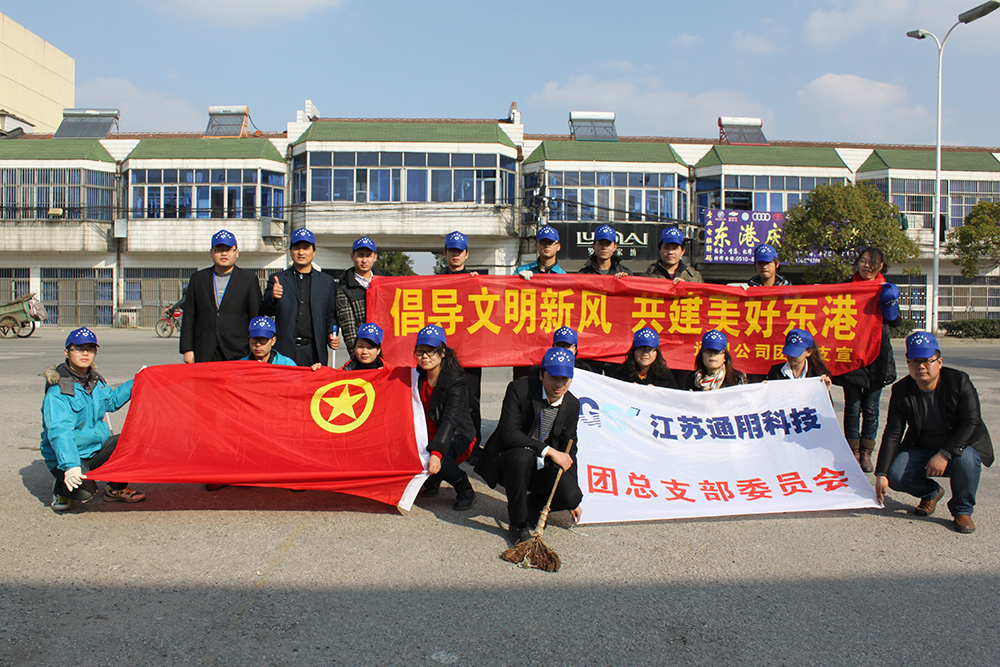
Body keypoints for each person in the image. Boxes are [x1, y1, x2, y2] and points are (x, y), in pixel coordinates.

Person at [875, 332, 994, 534]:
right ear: (908, 363)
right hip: (922, 447)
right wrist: (881, 473)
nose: (921, 366)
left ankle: (962, 510)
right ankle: (931, 492)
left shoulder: (959, 381)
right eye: (915, 361)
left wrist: (944, 454)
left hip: (959, 447)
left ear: (939, 362)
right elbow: (893, 432)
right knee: (896, 475)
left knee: (966, 460)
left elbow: (971, 422)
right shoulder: (902, 390)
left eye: (927, 361)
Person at [475, 347, 583, 545]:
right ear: (541, 374)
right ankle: (518, 524)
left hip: (542, 467)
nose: (559, 384)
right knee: (522, 457)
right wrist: (549, 450)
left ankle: (530, 507)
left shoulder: (572, 405)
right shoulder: (519, 389)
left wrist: (572, 495)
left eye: (565, 379)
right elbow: (509, 433)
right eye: (553, 377)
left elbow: (570, 448)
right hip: (511, 461)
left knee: (572, 495)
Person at [41, 328, 145, 512]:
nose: (85, 353)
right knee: (85, 493)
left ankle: (116, 489)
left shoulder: (94, 381)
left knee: (134, 440)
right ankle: (61, 488)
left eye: (90, 349)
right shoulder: (58, 391)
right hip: (70, 455)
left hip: (95, 449)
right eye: (79, 348)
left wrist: (137, 381)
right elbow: (60, 432)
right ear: (67, 352)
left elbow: (111, 402)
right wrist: (71, 466)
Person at [832, 246, 901, 472]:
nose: (867, 266)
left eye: (873, 262)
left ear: (881, 266)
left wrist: (890, 304)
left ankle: (867, 452)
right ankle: (852, 450)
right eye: (863, 260)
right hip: (851, 354)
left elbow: (896, 323)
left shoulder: (884, 288)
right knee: (852, 407)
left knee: (871, 408)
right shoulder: (845, 287)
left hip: (877, 354)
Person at [414, 325, 477, 511]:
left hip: (456, 434)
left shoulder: (455, 382)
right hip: (427, 432)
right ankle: (434, 479)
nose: (425, 356)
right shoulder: (416, 375)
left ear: (442, 353)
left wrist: (437, 452)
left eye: (431, 351)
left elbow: (450, 420)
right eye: (420, 351)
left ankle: (464, 488)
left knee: (435, 456)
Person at [261, 228, 339, 367]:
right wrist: (273, 297)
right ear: (291, 251)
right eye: (297, 248)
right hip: (285, 350)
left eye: (306, 248)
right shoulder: (278, 279)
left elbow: (330, 316)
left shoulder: (326, 282)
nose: (301, 252)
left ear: (314, 252)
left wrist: (331, 334)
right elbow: (267, 310)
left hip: (313, 350)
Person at [180, 229, 262, 363]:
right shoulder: (198, 279)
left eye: (228, 249)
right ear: (211, 253)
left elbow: (255, 316)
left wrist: (255, 348)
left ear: (236, 252)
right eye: (219, 249)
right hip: (204, 349)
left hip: (238, 349)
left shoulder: (248, 279)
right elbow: (189, 316)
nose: (224, 253)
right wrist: (187, 349)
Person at [437, 231, 483, 460]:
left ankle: (473, 445)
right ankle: (443, 442)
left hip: (470, 351)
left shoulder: (475, 281)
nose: (455, 255)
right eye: (452, 251)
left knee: (471, 400)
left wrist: (479, 283)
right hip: (443, 352)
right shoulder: (434, 283)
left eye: (459, 251)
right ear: (445, 253)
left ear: (467, 254)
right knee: (442, 398)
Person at [335, 236, 383, 352]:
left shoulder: (384, 284)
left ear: (375, 257)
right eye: (360, 255)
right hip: (362, 352)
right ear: (352, 256)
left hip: (384, 347)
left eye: (368, 256)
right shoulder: (344, 288)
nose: (364, 260)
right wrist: (357, 353)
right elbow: (349, 328)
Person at [766, 328, 832, 389]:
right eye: (789, 351)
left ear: (809, 352)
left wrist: (826, 390)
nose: (791, 356)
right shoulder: (776, 371)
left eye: (796, 353)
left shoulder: (817, 374)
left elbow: (822, 397)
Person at [613, 327, 678, 389]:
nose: (645, 353)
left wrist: (657, 393)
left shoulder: (665, 377)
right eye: (640, 349)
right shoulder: (622, 374)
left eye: (649, 349)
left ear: (657, 352)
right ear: (633, 351)